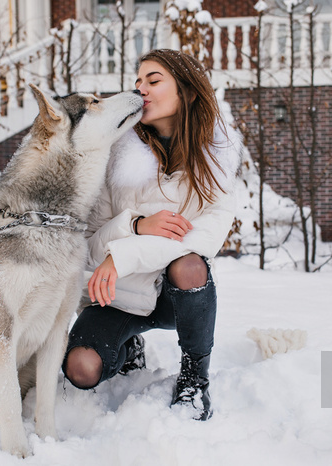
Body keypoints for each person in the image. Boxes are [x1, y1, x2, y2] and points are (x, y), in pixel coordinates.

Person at [62, 49, 241, 421]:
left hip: (175, 299)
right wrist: (134, 224)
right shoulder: (115, 157)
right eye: (138, 81)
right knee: (80, 369)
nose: (141, 89)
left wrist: (125, 254)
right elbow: (89, 248)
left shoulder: (217, 163)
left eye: (154, 80)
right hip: (115, 295)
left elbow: (200, 242)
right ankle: (130, 347)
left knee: (190, 265)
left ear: (187, 92)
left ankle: (194, 378)